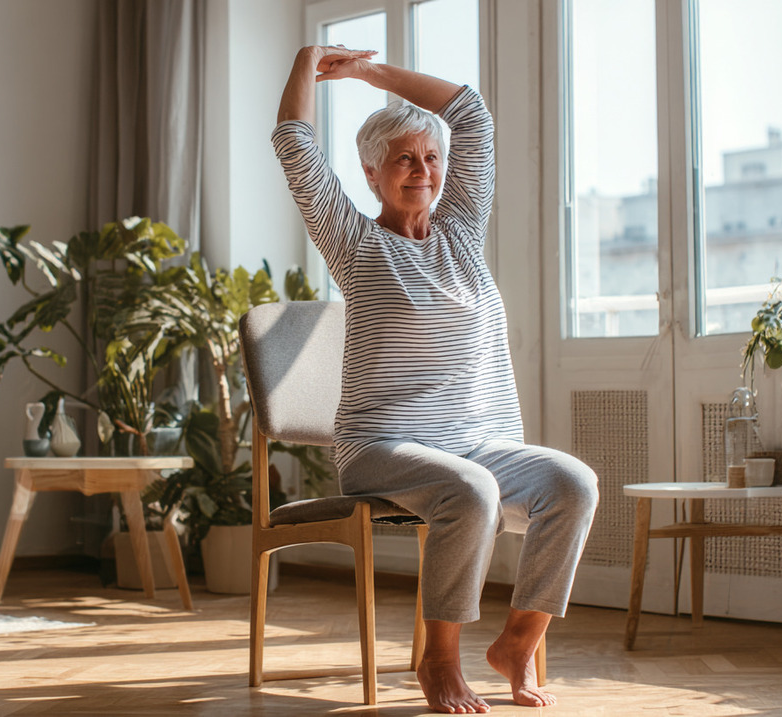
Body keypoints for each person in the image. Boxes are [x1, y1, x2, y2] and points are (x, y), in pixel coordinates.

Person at [272, 45, 598, 714]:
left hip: (479, 440)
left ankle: (517, 639)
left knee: (574, 483)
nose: (422, 171)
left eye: (430, 158)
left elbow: (470, 114)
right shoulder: (356, 244)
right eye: (404, 160)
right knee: (471, 491)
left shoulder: (461, 232)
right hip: (382, 447)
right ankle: (439, 660)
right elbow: (295, 145)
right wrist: (308, 63)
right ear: (371, 174)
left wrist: (366, 71)